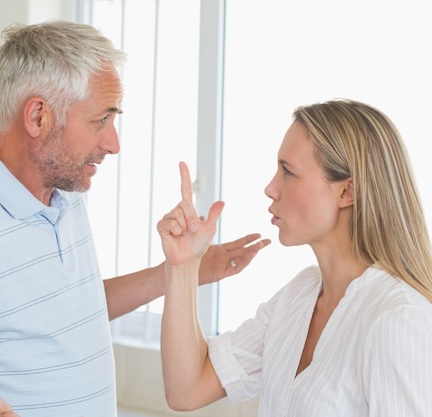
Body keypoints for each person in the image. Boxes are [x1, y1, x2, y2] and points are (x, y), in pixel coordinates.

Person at [0, 20, 269, 417]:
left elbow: (69, 310)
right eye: (102, 119)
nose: (114, 142)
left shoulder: (64, 197)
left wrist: (179, 272)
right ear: (38, 116)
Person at [158, 99, 432, 416]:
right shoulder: (298, 296)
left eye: (288, 172)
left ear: (347, 192)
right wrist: (183, 267)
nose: (271, 188)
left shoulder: (397, 319)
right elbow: (186, 390)